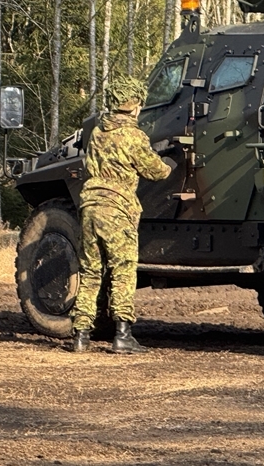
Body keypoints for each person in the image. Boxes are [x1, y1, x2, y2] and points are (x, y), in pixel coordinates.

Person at [70, 75, 172, 354]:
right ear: (135, 104)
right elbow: (155, 171)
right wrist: (168, 163)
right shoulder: (134, 136)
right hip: (117, 210)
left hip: (90, 206)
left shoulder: (97, 133)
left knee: (90, 271)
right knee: (123, 270)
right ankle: (123, 334)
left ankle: (80, 335)